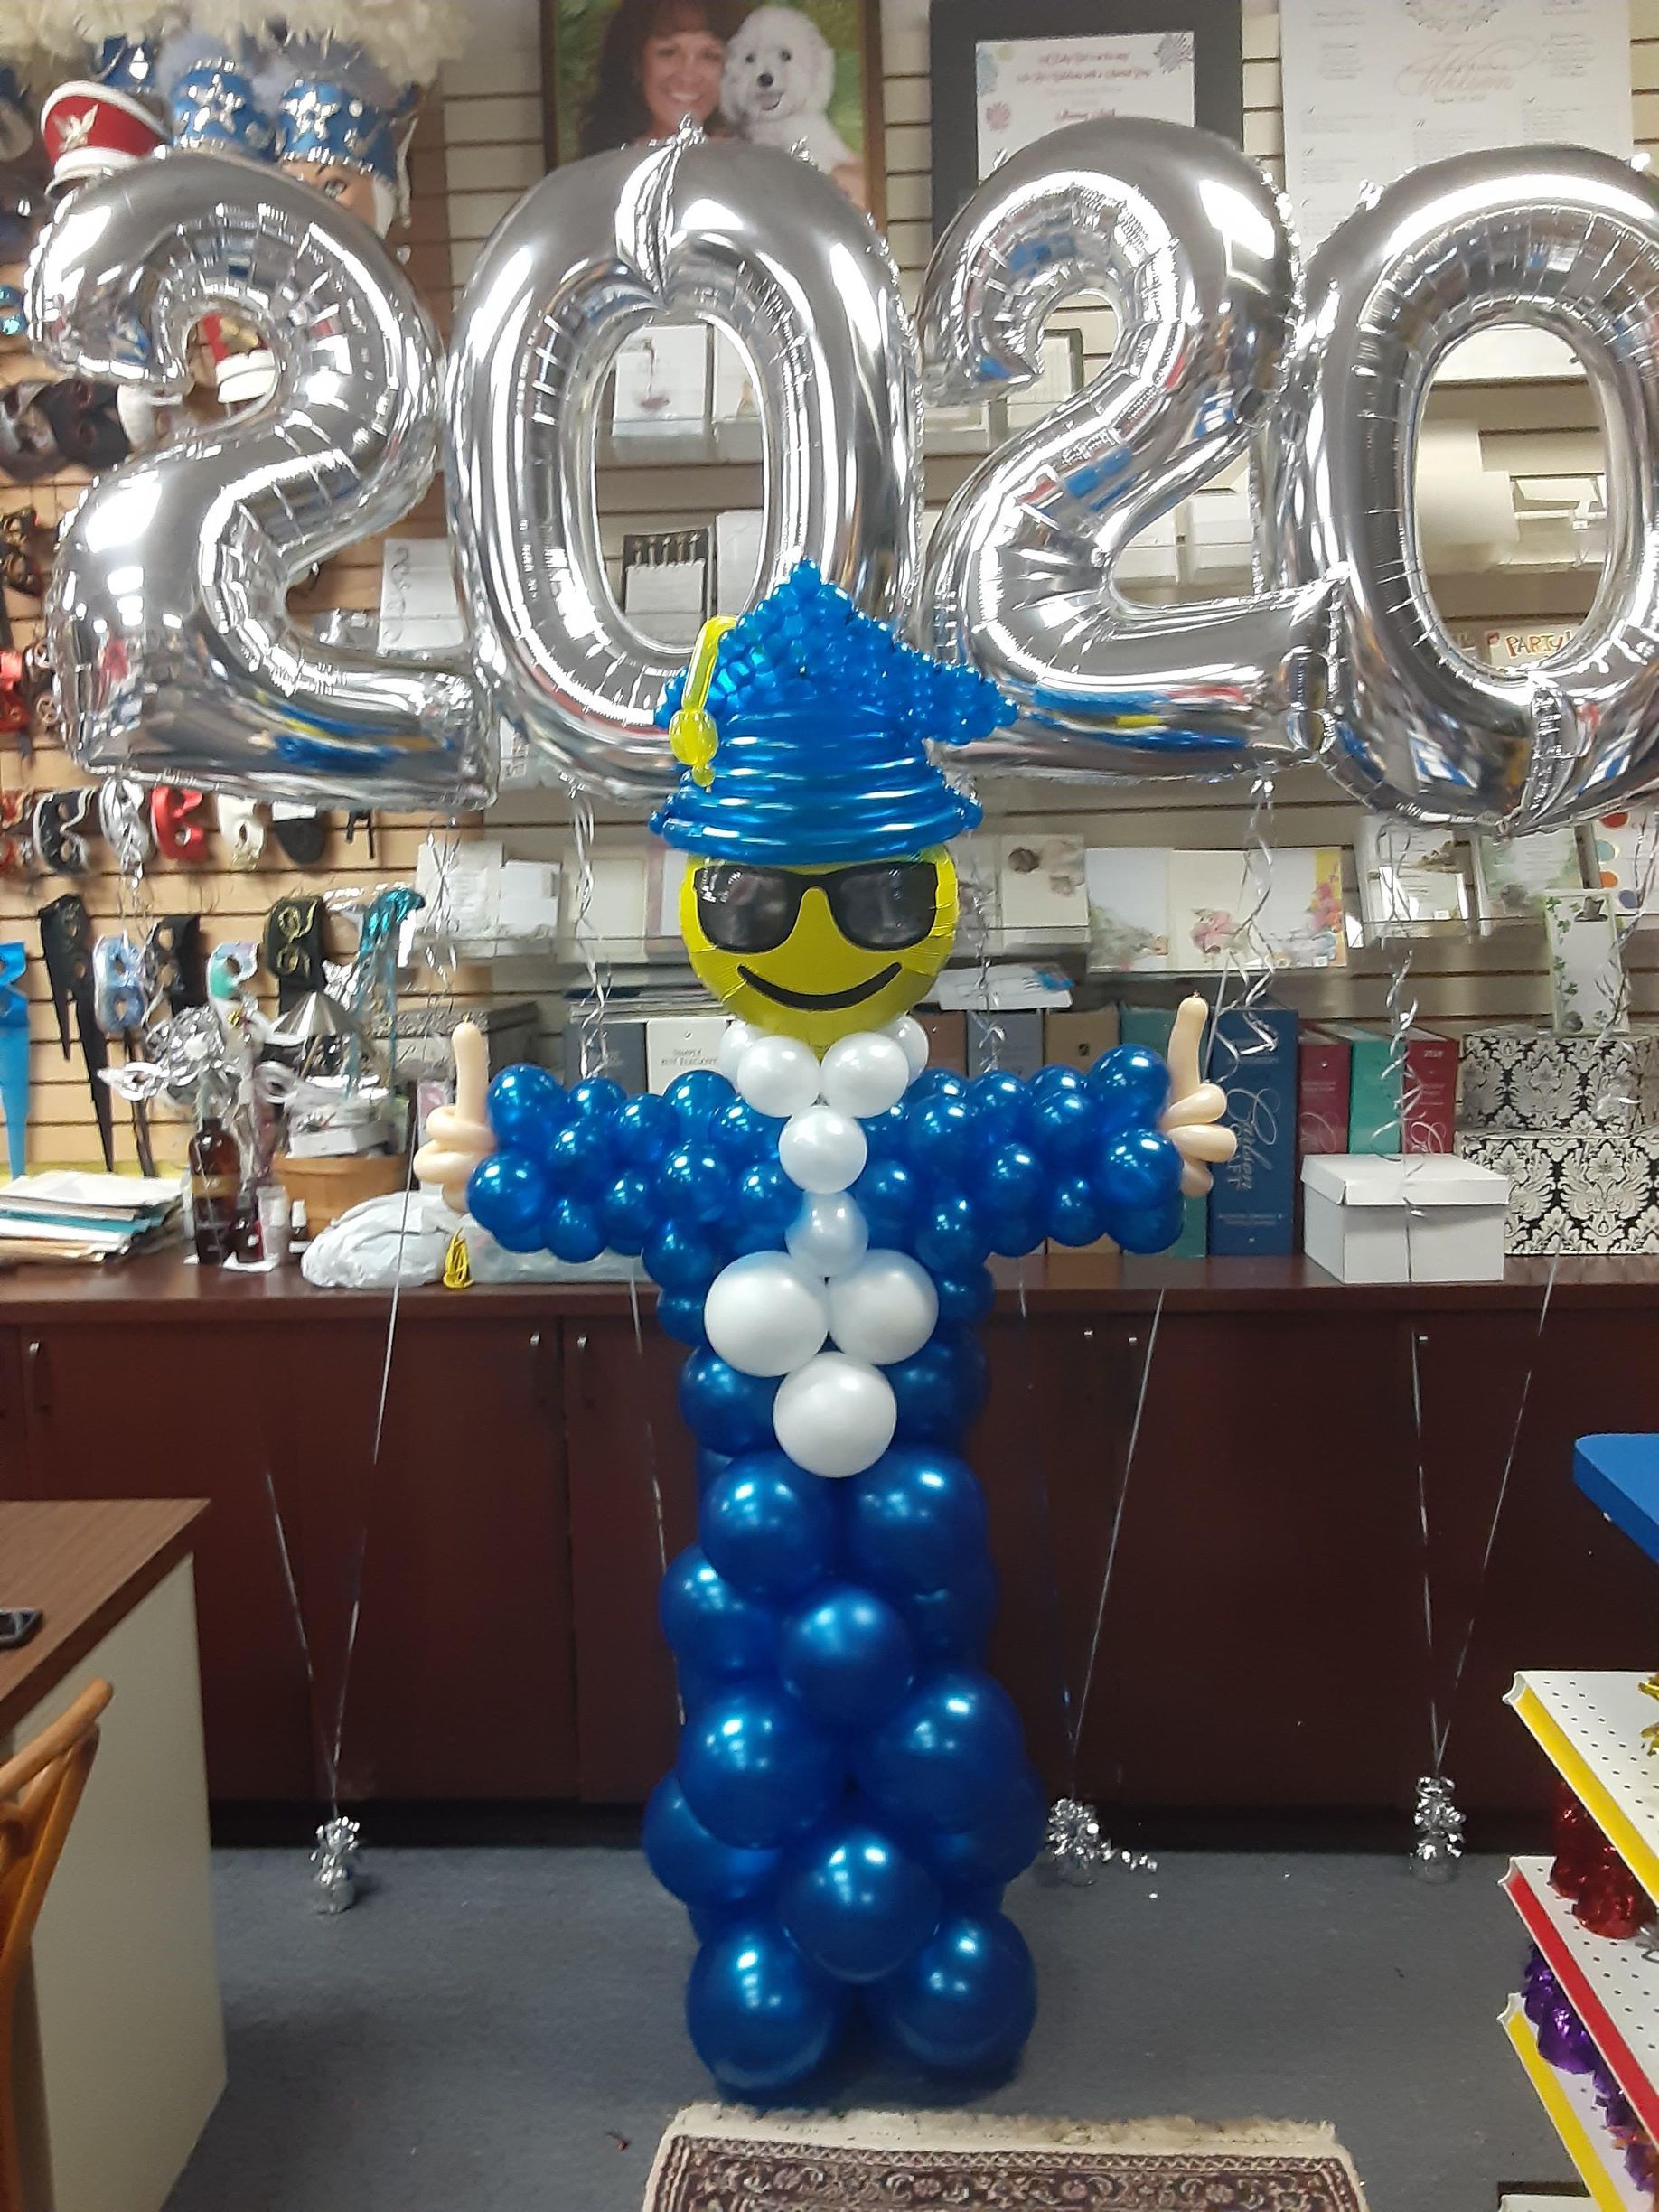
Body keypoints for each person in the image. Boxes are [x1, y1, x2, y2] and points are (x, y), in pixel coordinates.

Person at [578, 0, 743, 155]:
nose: (688, 75)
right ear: (636, 63)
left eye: (709, 56)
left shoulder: (750, 164)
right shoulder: (600, 172)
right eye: (669, 53)